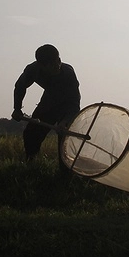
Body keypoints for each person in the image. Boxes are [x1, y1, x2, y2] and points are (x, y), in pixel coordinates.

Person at [12, 44, 81, 172]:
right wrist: (17, 109)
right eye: (53, 65)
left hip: (67, 108)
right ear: (42, 66)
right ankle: (31, 166)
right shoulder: (33, 70)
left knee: (64, 142)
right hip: (48, 103)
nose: (58, 66)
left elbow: (74, 104)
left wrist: (64, 122)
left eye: (58, 61)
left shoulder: (68, 73)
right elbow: (20, 87)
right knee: (30, 134)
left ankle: (65, 177)